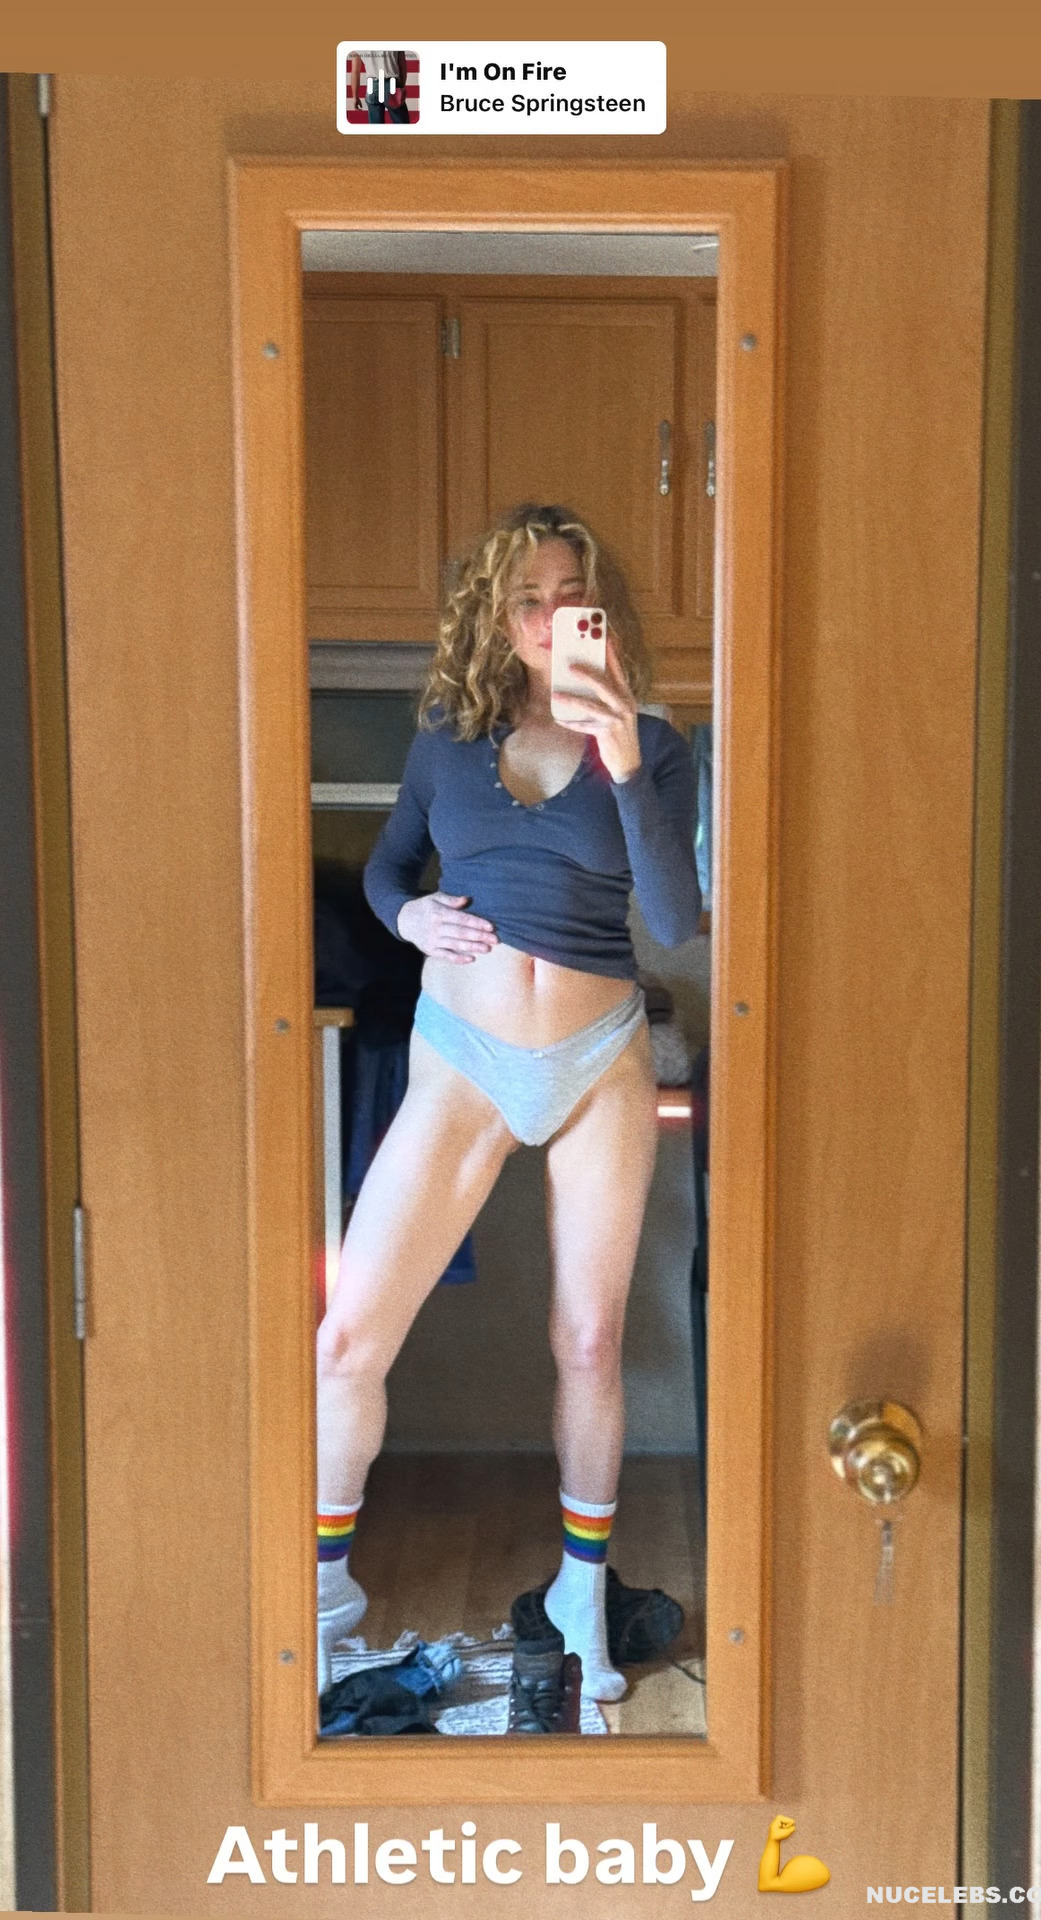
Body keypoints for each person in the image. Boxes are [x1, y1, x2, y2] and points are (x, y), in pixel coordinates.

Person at [315, 503, 702, 1704]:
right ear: (495, 614)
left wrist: (624, 758)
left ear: (600, 608)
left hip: (598, 1058)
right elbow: (389, 867)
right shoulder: (447, 739)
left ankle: (583, 1595)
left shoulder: (655, 745)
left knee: (588, 1341)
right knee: (348, 1338)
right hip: (463, 1058)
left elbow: (675, 918)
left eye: (569, 594)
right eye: (527, 598)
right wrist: (408, 916)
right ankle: (323, 1601)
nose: (548, 617)